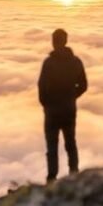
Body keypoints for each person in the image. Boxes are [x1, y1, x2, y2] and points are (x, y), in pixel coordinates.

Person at [38, 28, 87, 183]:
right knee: (70, 143)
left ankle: (52, 178)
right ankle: (74, 174)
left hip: (52, 112)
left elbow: (41, 87)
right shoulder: (75, 62)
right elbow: (83, 85)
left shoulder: (49, 63)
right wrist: (72, 97)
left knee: (52, 147)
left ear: (55, 42)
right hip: (68, 110)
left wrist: (46, 104)